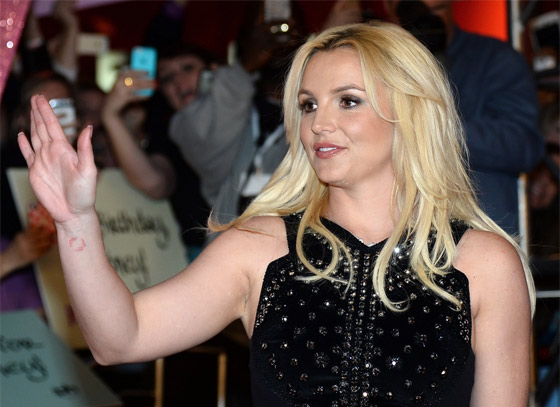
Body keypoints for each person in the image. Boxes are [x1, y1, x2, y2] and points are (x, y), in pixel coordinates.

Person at [18, 22, 534, 406]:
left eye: (347, 101)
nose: (319, 123)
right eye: (308, 105)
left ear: (410, 111)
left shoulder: (483, 263)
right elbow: (118, 340)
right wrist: (75, 221)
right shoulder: (259, 248)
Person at [384, 0, 544, 235]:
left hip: (478, 225)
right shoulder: (378, 66)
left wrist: (433, 129)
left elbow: (523, 144)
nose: (428, 19)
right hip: (393, 224)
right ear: (390, 7)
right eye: (413, 9)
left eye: (438, 9)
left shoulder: (493, 58)